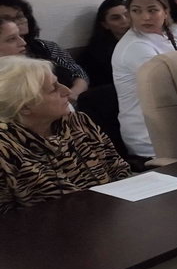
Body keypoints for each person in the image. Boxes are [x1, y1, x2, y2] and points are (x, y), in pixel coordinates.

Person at [0, 57, 131, 213]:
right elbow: (7, 221)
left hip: (110, 216)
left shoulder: (78, 122)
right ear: (25, 107)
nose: (67, 91)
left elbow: (119, 171)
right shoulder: (6, 151)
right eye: (53, 89)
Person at [111, 0, 177, 162]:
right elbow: (171, 88)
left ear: (166, 12)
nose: (145, 17)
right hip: (148, 137)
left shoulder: (164, 35)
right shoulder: (136, 46)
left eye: (152, 10)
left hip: (171, 123)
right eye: (136, 11)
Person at [0, 0, 89, 100]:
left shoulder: (45, 46)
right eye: (7, 19)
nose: (16, 23)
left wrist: (72, 95)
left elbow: (79, 73)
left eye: (19, 16)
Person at [76, 0, 130, 86]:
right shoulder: (95, 54)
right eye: (116, 18)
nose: (124, 20)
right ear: (105, 25)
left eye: (127, 15)